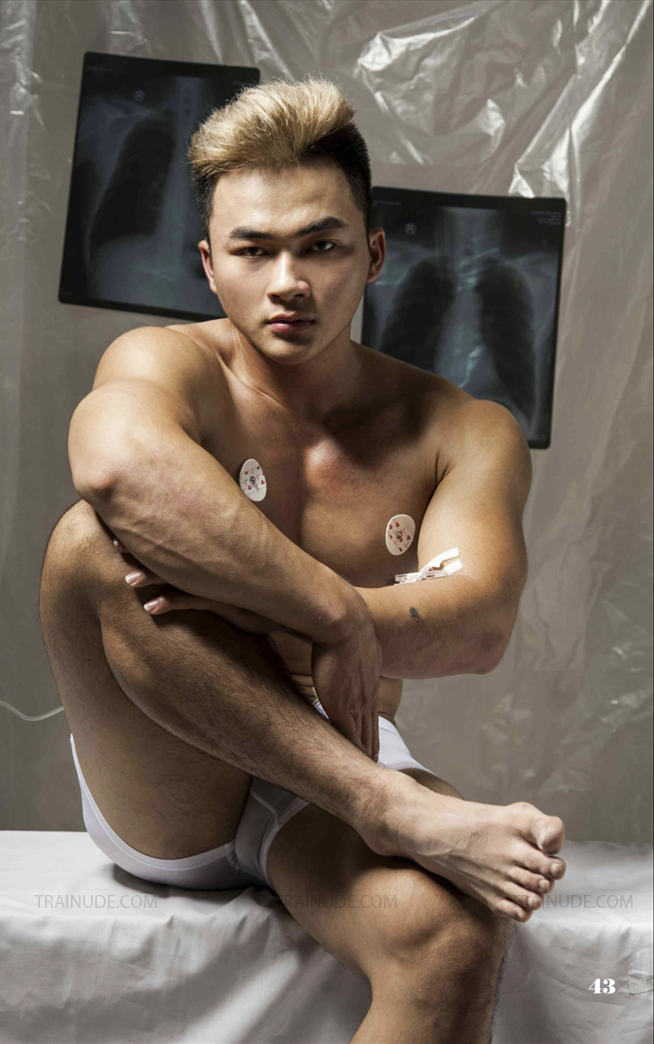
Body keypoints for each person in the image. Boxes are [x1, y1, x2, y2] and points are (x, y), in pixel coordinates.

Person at [40, 76, 566, 1044]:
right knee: (88, 542)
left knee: (451, 937)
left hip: (328, 767)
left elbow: (479, 623)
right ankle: (390, 807)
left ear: (372, 256)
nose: (288, 280)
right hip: (172, 770)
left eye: (320, 246)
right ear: (210, 266)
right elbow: (113, 468)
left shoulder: (459, 427)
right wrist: (335, 613)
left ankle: (379, 802)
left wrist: (256, 596)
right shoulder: (168, 363)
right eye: (254, 250)